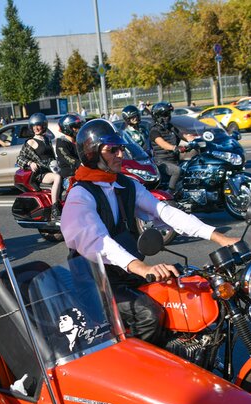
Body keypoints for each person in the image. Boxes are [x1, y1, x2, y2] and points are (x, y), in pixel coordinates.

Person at [60, 119, 239, 345]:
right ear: (92, 154)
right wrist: (143, 268)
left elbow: (164, 212)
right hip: (94, 284)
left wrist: (218, 236)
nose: (120, 154)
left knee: (181, 288)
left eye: (121, 148)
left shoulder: (124, 184)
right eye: (112, 150)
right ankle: (142, 370)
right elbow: (100, 243)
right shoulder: (80, 196)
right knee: (148, 315)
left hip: (125, 275)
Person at [16, 113, 61, 222]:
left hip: (51, 169)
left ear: (44, 125)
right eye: (33, 126)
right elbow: (19, 158)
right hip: (41, 173)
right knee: (57, 178)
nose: (36, 128)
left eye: (38, 125)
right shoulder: (31, 142)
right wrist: (30, 163)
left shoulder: (47, 139)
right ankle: (55, 208)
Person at [149, 101, 189, 193]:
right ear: (158, 116)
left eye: (168, 114)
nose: (168, 117)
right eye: (165, 114)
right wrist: (175, 148)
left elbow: (185, 136)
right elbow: (162, 143)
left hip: (174, 160)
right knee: (177, 171)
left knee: (190, 166)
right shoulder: (154, 131)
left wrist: (199, 139)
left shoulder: (171, 127)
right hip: (161, 162)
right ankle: (170, 193)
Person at [53, 113, 84, 216]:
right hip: (69, 175)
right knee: (77, 190)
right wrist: (80, 164)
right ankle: (69, 214)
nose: (77, 129)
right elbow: (66, 157)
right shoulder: (61, 143)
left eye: (78, 127)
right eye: (75, 127)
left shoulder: (78, 142)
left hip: (82, 172)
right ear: (67, 128)